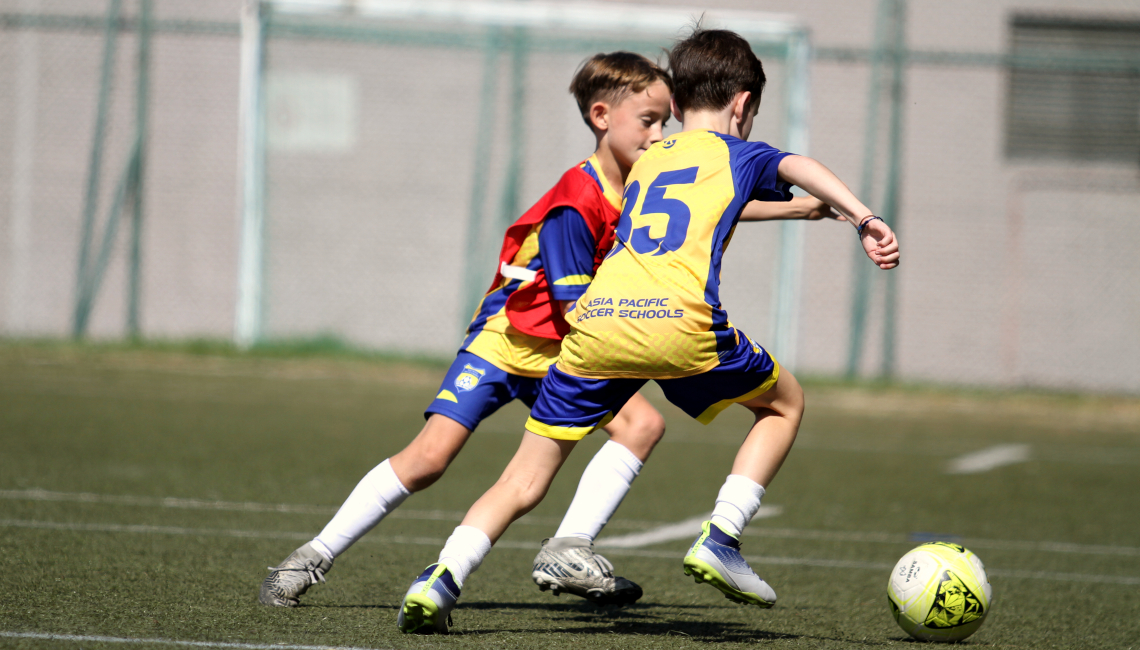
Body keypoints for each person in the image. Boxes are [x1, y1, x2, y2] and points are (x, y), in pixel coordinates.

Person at [397, 28, 899, 634]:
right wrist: (862, 215)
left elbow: (711, 202)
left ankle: (441, 577)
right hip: (683, 325)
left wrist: (797, 209)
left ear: (679, 105)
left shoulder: (649, 160)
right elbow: (800, 166)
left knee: (523, 477)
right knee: (784, 404)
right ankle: (723, 536)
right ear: (742, 104)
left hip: (597, 326)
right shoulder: (745, 152)